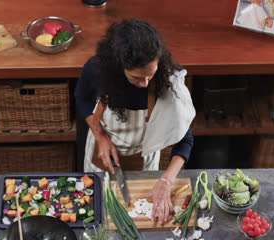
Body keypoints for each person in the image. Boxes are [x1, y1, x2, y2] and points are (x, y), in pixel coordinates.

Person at [75, 18, 195, 224]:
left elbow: (185, 140)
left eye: (150, 74)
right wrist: (100, 135)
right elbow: (82, 98)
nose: (145, 83)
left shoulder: (167, 82)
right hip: (99, 155)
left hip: (144, 162)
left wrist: (166, 181)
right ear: (119, 67)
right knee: (99, 217)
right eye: (136, 78)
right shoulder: (97, 69)